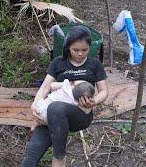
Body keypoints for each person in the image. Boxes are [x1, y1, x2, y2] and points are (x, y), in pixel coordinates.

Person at [21, 25, 109, 167]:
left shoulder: (94, 64)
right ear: (68, 47)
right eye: (76, 50)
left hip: (80, 114)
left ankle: (59, 158)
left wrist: (94, 101)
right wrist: (34, 105)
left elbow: (104, 91)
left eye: (84, 50)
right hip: (51, 115)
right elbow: (45, 87)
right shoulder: (58, 62)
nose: (80, 54)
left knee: (56, 108)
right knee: (29, 159)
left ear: (89, 47)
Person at [31, 79, 95, 130]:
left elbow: (52, 86)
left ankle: (34, 125)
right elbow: (84, 111)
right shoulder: (75, 103)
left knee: (41, 107)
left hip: (41, 107)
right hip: (51, 118)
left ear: (75, 86)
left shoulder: (67, 86)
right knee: (55, 123)